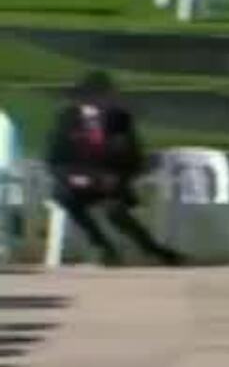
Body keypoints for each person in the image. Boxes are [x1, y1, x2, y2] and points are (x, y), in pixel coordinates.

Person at [44, 72, 183, 266]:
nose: (100, 103)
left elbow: (135, 158)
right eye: (94, 97)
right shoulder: (67, 119)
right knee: (64, 196)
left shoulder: (121, 120)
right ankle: (102, 247)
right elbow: (54, 159)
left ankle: (153, 250)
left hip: (112, 182)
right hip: (78, 183)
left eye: (105, 97)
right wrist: (72, 177)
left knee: (114, 210)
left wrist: (119, 178)